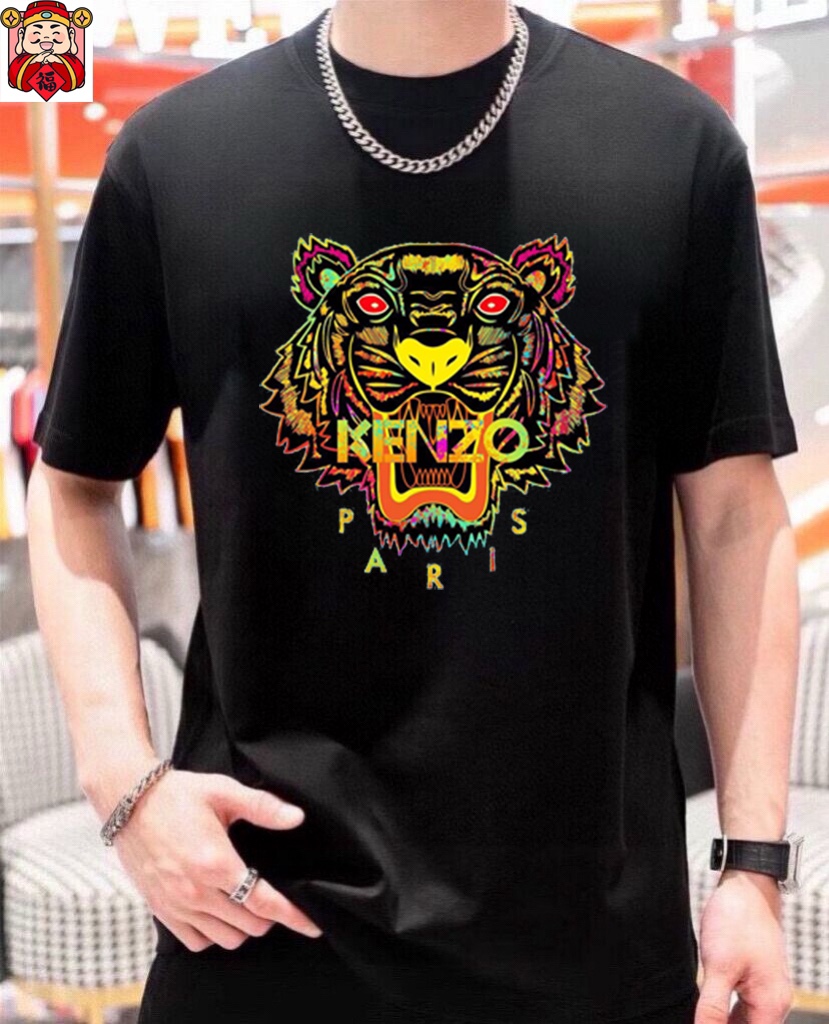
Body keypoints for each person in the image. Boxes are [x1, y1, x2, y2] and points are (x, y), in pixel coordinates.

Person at [26, 1, 801, 1022]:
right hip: (262, 934)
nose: (431, 355)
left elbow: (736, 516)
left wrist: (753, 865)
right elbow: (73, 480)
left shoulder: (673, 148)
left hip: (589, 950)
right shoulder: (175, 158)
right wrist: (123, 787)